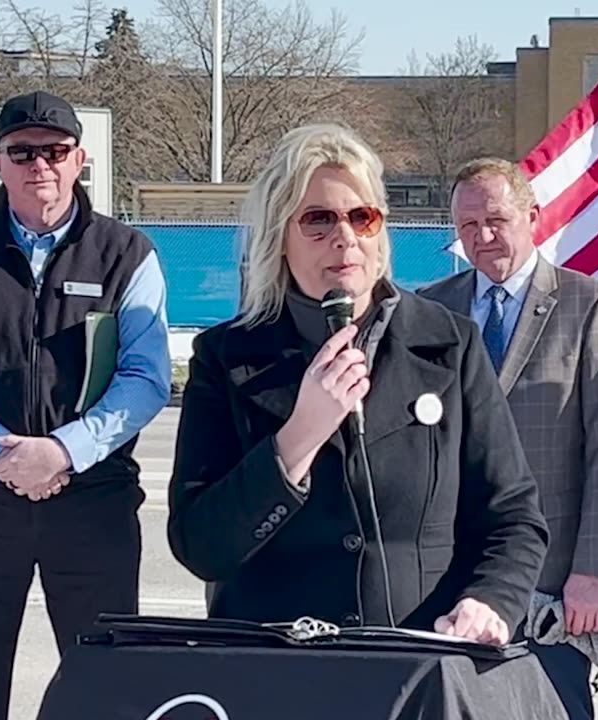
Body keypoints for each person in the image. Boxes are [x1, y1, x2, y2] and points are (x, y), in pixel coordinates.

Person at [166, 123, 549, 644]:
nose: (344, 237)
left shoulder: (449, 343)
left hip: (421, 663)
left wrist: (489, 601)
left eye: (361, 217)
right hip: (275, 671)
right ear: (279, 237)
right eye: (319, 220)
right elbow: (200, 545)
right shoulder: (225, 359)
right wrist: (297, 438)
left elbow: (513, 516)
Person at [0, 90, 172, 720]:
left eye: (54, 151)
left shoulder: (128, 253)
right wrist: (0, 453)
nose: (39, 165)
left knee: (106, 686)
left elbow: (146, 376)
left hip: (92, 501)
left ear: (79, 160)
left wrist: (62, 451)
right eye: (22, 152)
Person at [418, 157, 598, 719]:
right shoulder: (429, 310)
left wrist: (593, 572)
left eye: (496, 219)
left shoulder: (589, 304)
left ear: (533, 217)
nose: (484, 236)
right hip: (444, 580)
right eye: (468, 226)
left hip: (551, 584)